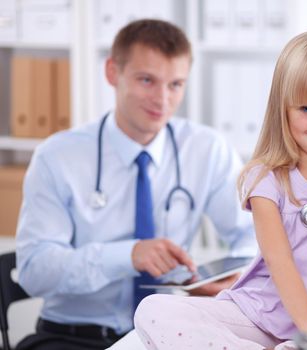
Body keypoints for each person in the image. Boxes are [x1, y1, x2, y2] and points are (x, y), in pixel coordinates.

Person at [134, 30, 307, 350]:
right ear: (283, 109)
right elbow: (280, 262)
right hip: (263, 308)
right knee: (153, 310)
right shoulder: (267, 178)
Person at [15, 19, 256, 350]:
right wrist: (127, 255)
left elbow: (255, 237)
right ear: (113, 72)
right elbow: (34, 270)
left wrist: (231, 281)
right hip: (72, 338)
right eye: (147, 80)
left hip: (167, 333)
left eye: (175, 84)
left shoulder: (206, 150)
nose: (162, 99)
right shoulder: (57, 157)